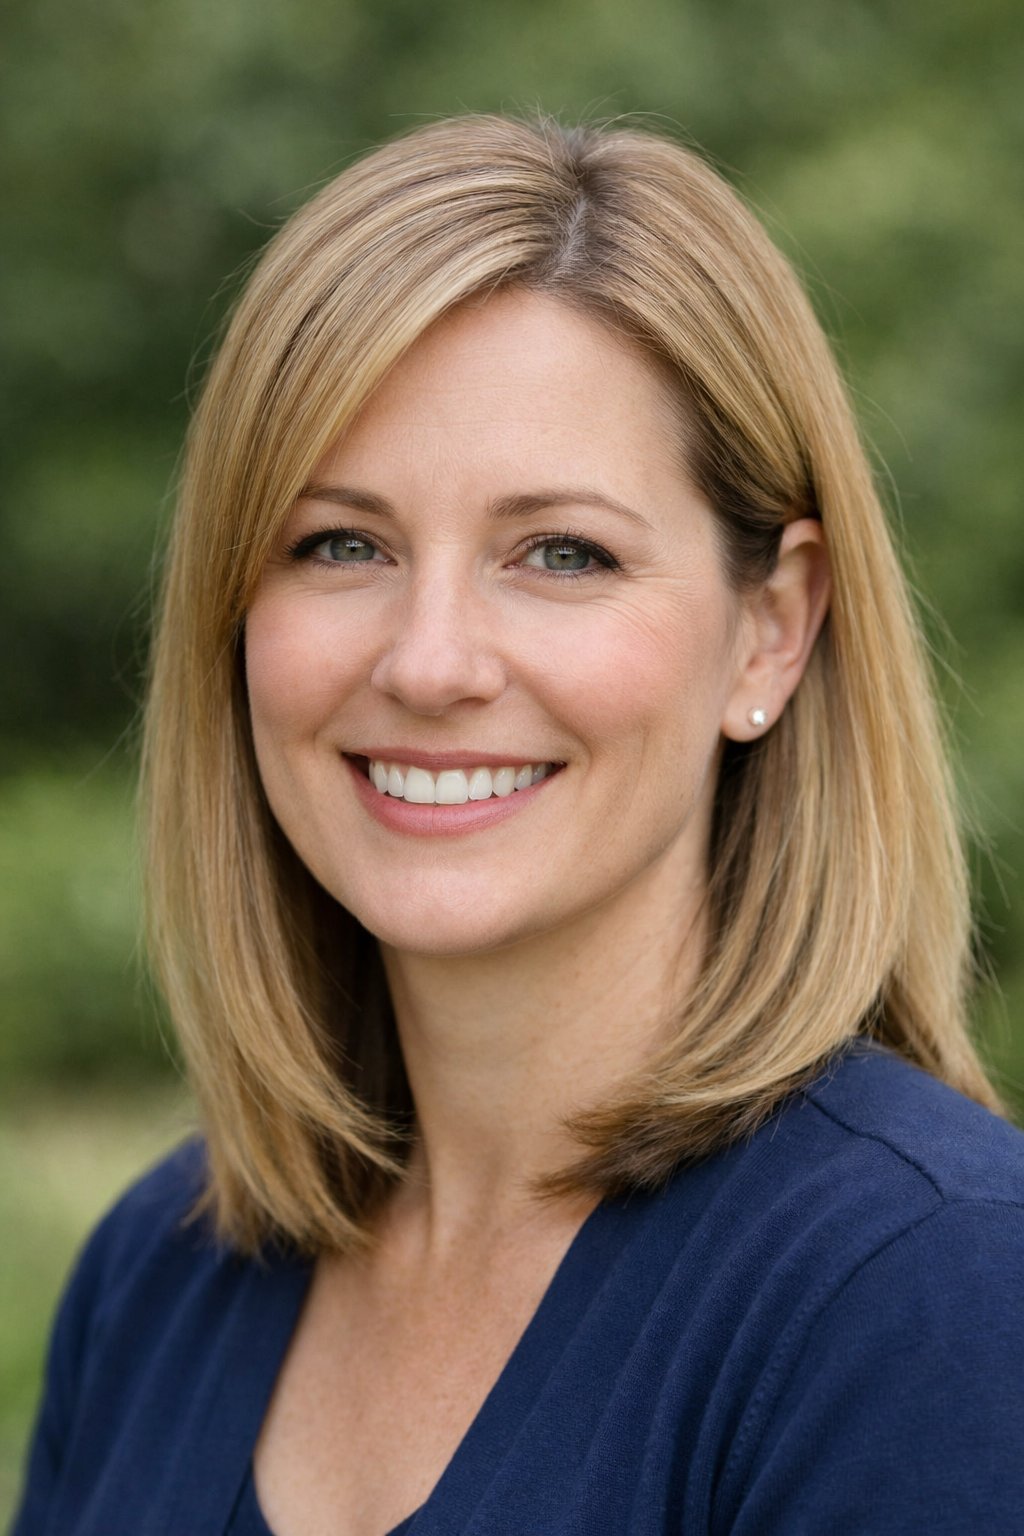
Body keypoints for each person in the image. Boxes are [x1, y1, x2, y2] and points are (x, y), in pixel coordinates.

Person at [11, 113, 1024, 1536]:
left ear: (771, 630)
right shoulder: (159, 1275)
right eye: (339, 545)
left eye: (561, 554)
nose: (430, 663)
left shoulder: (938, 1296)